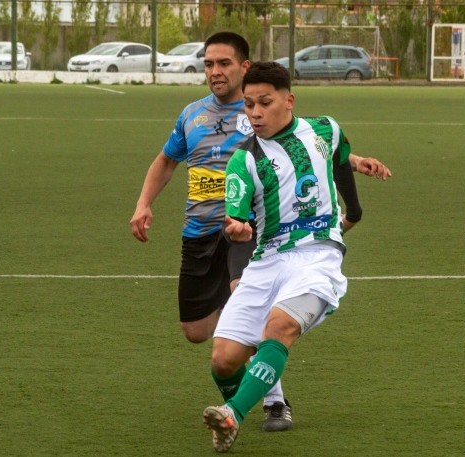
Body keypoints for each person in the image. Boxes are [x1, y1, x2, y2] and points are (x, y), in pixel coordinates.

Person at [129, 31, 391, 433]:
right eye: (209, 64)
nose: (216, 72)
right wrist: (145, 204)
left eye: (224, 64)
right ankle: (250, 373)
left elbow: (318, 149)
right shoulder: (194, 117)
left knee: (274, 322)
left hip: (265, 236)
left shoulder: (292, 121)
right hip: (205, 230)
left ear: (244, 67)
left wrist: (353, 171)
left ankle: (264, 404)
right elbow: (167, 161)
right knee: (202, 337)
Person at [201, 61, 363, 453]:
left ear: (288, 101)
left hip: (316, 256)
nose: (254, 113)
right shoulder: (244, 159)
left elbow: (340, 159)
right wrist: (236, 227)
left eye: (264, 103)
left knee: (279, 329)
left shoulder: (326, 128)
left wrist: (353, 212)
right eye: (248, 105)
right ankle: (268, 399)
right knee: (223, 361)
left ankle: (232, 415)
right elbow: (236, 217)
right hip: (267, 259)